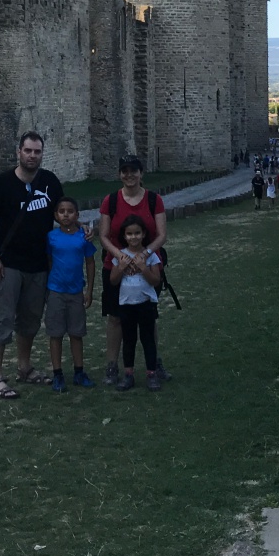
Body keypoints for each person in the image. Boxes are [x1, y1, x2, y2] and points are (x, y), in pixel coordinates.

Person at [0, 131, 63, 399]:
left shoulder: (49, 182)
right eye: (28, 151)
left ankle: (24, 367)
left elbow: (62, 214)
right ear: (19, 152)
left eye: (37, 152)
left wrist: (79, 229)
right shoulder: (2, 184)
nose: (32, 156)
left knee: (29, 320)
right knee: (1, 318)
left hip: (38, 264)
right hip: (8, 264)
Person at [97, 155, 168, 386]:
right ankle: (112, 365)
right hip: (116, 267)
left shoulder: (153, 200)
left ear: (141, 173)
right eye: (125, 171)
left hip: (146, 265)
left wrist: (144, 255)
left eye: (133, 171)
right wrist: (121, 257)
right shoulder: (111, 201)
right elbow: (104, 235)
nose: (129, 175)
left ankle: (153, 363)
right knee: (115, 317)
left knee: (149, 318)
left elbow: (161, 235)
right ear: (120, 174)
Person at [44, 197, 97, 392]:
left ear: (77, 215)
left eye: (70, 211)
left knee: (76, 333)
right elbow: (49, 261)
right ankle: (57, 373)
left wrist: (89, 290)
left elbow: (90, 263)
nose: (66, 214)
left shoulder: (83, 237)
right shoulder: (51, 237)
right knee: (55, 334)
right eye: (61, 211)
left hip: (76, 292)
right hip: (56, 291)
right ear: (56, 216)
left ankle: (79, 372)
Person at [109, 215, 164, 392]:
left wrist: (143, 268)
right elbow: (113, 280)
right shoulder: (121, 256)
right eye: (129, 234)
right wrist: (121, 267)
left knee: (148, 339)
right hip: (126, 304)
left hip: (145, 303)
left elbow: (156, 280)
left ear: (143, 234)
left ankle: (151, 373)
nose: (133, 237)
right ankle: (128, 374)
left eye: (137, 233)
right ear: (124, 236)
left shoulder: (151, 256)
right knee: (129, 340)